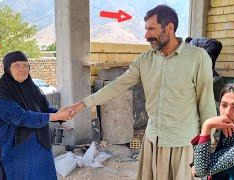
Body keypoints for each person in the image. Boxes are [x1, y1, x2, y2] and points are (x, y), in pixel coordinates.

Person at [67, 5, 216, 180]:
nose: (146, 35)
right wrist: (83, 104)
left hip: (183, 144)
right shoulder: (145, 60)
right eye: (146, 29)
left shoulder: (198, 58)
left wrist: (207, 145)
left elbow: (206, 102)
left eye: (151, 29)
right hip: (152, 141)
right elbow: (118, 85)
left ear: (169, 28)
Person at [0, 51, 72, 180]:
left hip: (41, 145)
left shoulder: (32, 87)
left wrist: (61, 114)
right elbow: (20, 117)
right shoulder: (1, 92)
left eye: (25, 65)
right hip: (16, 151)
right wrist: (54, 117)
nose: (22, 69)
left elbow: (43, 109)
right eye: (17, 65)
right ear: (7, 69)